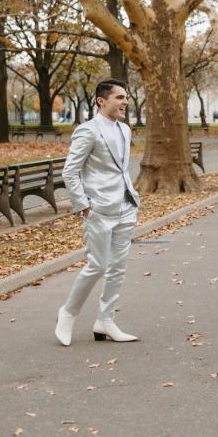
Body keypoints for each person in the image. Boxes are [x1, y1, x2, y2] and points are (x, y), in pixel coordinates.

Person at [55, 79, 141, 346]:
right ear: (101, 101)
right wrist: (83, 205)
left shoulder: (125, 129)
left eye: (126, 97)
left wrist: (132, 195)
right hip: (99, 209)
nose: (125, 102)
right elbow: (70, 171)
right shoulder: (87, 131)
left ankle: (105, 320)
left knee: (117, 268)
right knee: (97, 266)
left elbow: (121, 168)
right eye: (119, 97)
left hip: (126, 206)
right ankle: (68, 313)